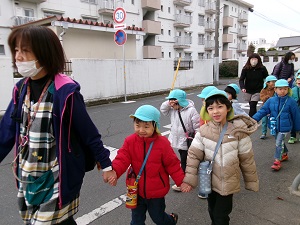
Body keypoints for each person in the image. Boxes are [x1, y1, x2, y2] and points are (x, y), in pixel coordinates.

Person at [0, 26, 115, 225]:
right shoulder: (20, 90)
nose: (18, 56)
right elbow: (5, 133)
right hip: (28, 174)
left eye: (25, 50)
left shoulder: (65, 91)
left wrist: (105, 164)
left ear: (44, 52)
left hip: (57, 176)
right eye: (16, 50)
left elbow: (89, 133)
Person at [180, 89, 259, 225]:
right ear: (207, 111)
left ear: (228, 108)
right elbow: (193, 156)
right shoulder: (203, 131)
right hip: (209, 179)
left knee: (221, 215)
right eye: (211, 108)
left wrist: (251, 181)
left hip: (229, 182)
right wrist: (189, 179)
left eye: (220, 107)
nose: (215, 111)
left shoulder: (238, 131)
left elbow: (247, 158)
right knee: (212, 209)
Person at [109, 105, 184, 225]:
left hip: (156, 191)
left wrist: (181, 181)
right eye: (137, 126)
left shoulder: (162, 143)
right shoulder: (130, 141)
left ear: (155, 126)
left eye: (146, 126)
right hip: (134, 190)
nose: (141, 130)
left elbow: (173, 164)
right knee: (136, 221)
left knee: (158, 218)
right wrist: (115, 172)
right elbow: (122, 158)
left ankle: (171, 220)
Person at [252, 79, 300, 171]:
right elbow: (263, 111)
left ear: (288, 89)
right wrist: (254, 119)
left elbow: (296, 115)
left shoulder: (291, 101)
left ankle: (277, 161)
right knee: (280, 141)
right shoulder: (271, 100)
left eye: (285, 89)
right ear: (275, 89)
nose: (283, 91)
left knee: (278, 142)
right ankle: (285, 154)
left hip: (285, 127)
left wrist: (297, 128)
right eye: (280, 89)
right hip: (274, 126)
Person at [160, 89, 200, 191]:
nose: (171, 104)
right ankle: (189, 174)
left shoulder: (191, 110)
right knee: (184, 157)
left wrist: (198, 140)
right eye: (170, 102)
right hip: (177, 139)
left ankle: (182, 182)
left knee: (184, 160)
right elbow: (163, 110)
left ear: (179, 101)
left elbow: (197, 126)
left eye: (173, 101)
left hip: (187, 140)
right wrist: (168, 102)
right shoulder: (174, 110)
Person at [259, 75, 278, 139]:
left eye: (275, 82)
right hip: (265, 107)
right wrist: (268, 97)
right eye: (273, 82)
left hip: (273, 107)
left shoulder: (276, 89)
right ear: (267, 83)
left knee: (273, 120)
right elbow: (262, 98)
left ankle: (274, 131)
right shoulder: (263, 90)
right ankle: (263, 133)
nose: (274, 83)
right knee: (264, 121)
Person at [288, 73, 300, 143]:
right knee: (293, 122)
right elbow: (290, 98)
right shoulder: (292, 90)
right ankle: (293, 136)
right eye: (298, 79)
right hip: (294, 109)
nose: (299, 81)